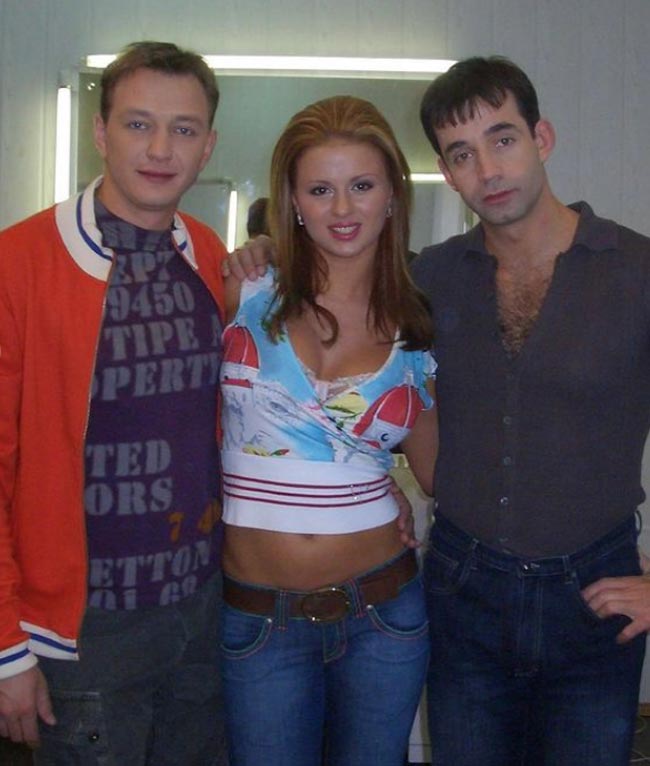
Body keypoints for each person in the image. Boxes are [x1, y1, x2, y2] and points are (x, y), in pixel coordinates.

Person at [412, 55, 650, 766]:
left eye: (503, 138)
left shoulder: (637, 272)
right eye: (462, 154)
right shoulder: (430, 278)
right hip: (463, 595)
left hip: (595, 597)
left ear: (541, 137)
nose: (488, 169)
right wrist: (258, 255)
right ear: (447, 173)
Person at [0, 41, 230, 764]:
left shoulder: (207, 252)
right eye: (138, 124)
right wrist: (7, 649)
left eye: (183, 129)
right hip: (86, 631)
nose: (161, 149)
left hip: (203, 609)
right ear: (100, 132)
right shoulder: (18, 264)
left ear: (208, 145)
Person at [219, 95, 437, 766]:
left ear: (392, 195)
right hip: (257, 615)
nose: (342, 209)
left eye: (362, 185)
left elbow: (443, 474)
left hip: (383, 614)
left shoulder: (419, 324)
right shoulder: (243, 289)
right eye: (320, 189)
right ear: (292, 200)